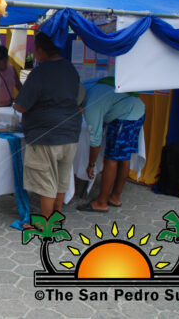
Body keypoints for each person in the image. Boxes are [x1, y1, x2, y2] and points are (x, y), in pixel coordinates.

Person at [13, 32, 82, 219]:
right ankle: (57, 216)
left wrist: (16, 104)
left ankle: (46, 224)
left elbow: (21, 105)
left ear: (41, 50)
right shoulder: (70, 68)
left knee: (46, 182)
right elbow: (78, 96)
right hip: (71, 133)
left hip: (46, 135)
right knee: (61, 180)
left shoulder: (40, 73)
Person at [77, 77, 145, 212]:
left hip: (125, 117)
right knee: (124, 156)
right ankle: (115, 197)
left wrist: (91, 164)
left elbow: (95, 139)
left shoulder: (91, 104)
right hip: (138, 110)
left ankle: (101, 203)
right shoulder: (86, 85)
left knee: (111, 159)